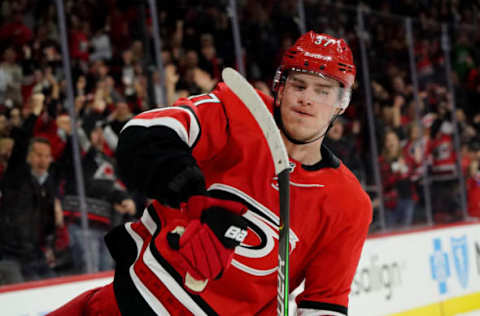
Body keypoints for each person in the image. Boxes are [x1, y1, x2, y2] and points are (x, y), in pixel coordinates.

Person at [49, 31, 372, 316]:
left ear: (341, 103)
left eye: (322, 91)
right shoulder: (239, 111)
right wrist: (190, 193)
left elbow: (324, 305)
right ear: (281, 87)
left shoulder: (349, 204)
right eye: (298, 85)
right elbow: (146, 134)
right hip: (127, 303)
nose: (306, 99)